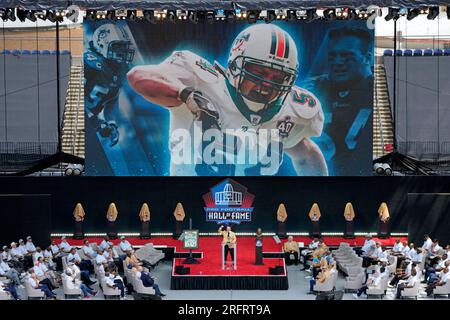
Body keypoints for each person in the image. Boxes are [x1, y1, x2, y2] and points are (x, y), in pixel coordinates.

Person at [127, 23, 327, 176]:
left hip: (253, 210)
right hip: (188, 200)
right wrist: (186, 95)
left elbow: (305, 152)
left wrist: (318, 198)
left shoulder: (293, 110)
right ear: (234, 65)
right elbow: (138, 78)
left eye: (277, 78)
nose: (267, 84)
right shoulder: (201, 80)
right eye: (259, 73)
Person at [301, 27, 373, 175]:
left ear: (367, 57)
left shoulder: (378, 88)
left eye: (347, 56)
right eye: (333, 56)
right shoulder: (311, 89)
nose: (338, 62)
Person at [84, 23, 135, 147]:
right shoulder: (89, 63)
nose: (122, 52)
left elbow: (112, 98)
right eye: (117, 47)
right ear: (101, 44)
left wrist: (111, 123)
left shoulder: (121, 68)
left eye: (123, 47)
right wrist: (96, 122)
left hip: (91, 121)